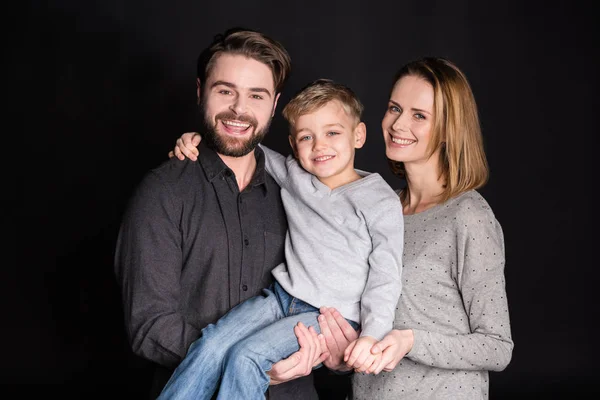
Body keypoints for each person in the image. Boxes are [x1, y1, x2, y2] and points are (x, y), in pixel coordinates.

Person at [173, 56, 514, 399]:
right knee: (220, 345)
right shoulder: (383, 204)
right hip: (367, 392)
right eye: (394, 108)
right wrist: (205, 142)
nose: (398, 124)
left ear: (449, 129)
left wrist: (407, 341)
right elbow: (347, 324)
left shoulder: (467, 216)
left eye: (419, 115)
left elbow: (496, 348)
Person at [114, 28, 327, 400]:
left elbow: (334, 295)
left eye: (255, 96)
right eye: (225, 91)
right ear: (201, 92)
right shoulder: (164, 192)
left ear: (274, 104)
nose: (239, 109)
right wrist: (251, 363)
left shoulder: (305, 191)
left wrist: (330, 352)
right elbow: (150, 325)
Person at [159, 78, 404, 399]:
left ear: (358, 135)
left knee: (246, 357)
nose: (319, 146)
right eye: (306, 137)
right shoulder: (294, 174)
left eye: (332, 132)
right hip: (279, 298)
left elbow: (386, 278)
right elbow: (242, 144)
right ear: (293, 144)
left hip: (326, 315)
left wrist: (371, 336)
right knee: (212, 342)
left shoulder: (380, 201)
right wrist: (198, 139)